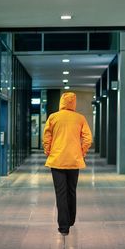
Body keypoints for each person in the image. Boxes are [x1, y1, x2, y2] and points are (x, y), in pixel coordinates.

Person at [43, 92, 92, 236]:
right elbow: (88, 139)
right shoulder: (80, 118)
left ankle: (64, 227)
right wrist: (81, 152)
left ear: (61, 102)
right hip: (74, 161)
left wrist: (49, 151)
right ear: (74, 103)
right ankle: (71, 220)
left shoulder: (53, 117)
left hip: (57, 161)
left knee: (61, 193)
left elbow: (47, 137)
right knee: (72, 191)